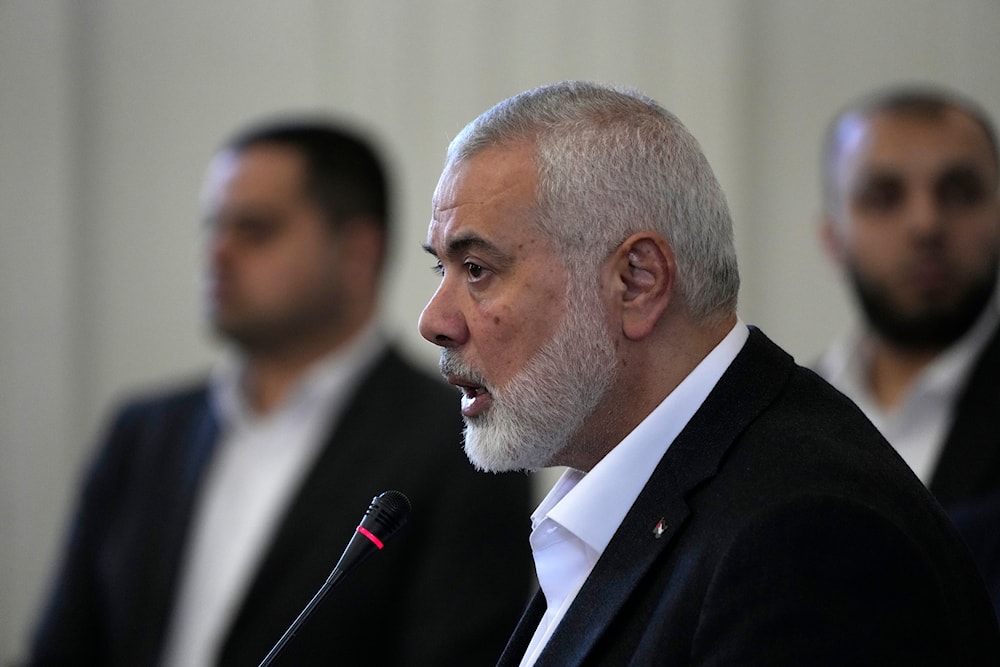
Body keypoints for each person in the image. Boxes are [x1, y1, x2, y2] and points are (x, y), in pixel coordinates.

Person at [417, 81, 1000, 666]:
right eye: (441, 268)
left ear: (637, 282)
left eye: (476, 268)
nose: (434, 321)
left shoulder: (803, 536)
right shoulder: (649, 495)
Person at [27, 119, 533, 666]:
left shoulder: (464, 442)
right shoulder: (143, 433)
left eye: (255, 230)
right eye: (214, 226)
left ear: (357, 251)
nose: (218, 254)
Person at [814, 85, 1000, 514]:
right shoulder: (774, 422)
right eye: (884, 196)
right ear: (832, 239)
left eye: (959, 192)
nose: (926, 224)